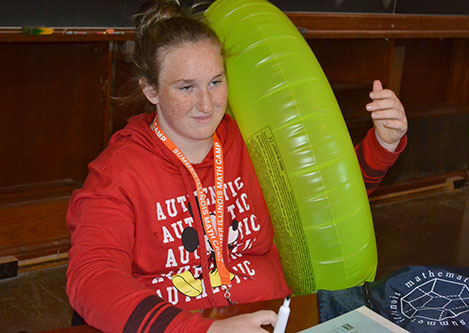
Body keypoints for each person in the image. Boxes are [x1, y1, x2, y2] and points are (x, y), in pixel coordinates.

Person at [65, 1, 408, 332]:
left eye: (216, 82)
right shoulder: (118, 172)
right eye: (186, 87)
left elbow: (323, 207)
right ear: (150, 90)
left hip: (276, 316)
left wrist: (384, 143)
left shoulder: (250, 139)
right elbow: (92, 280)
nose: (207, 103)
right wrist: (203, 330)